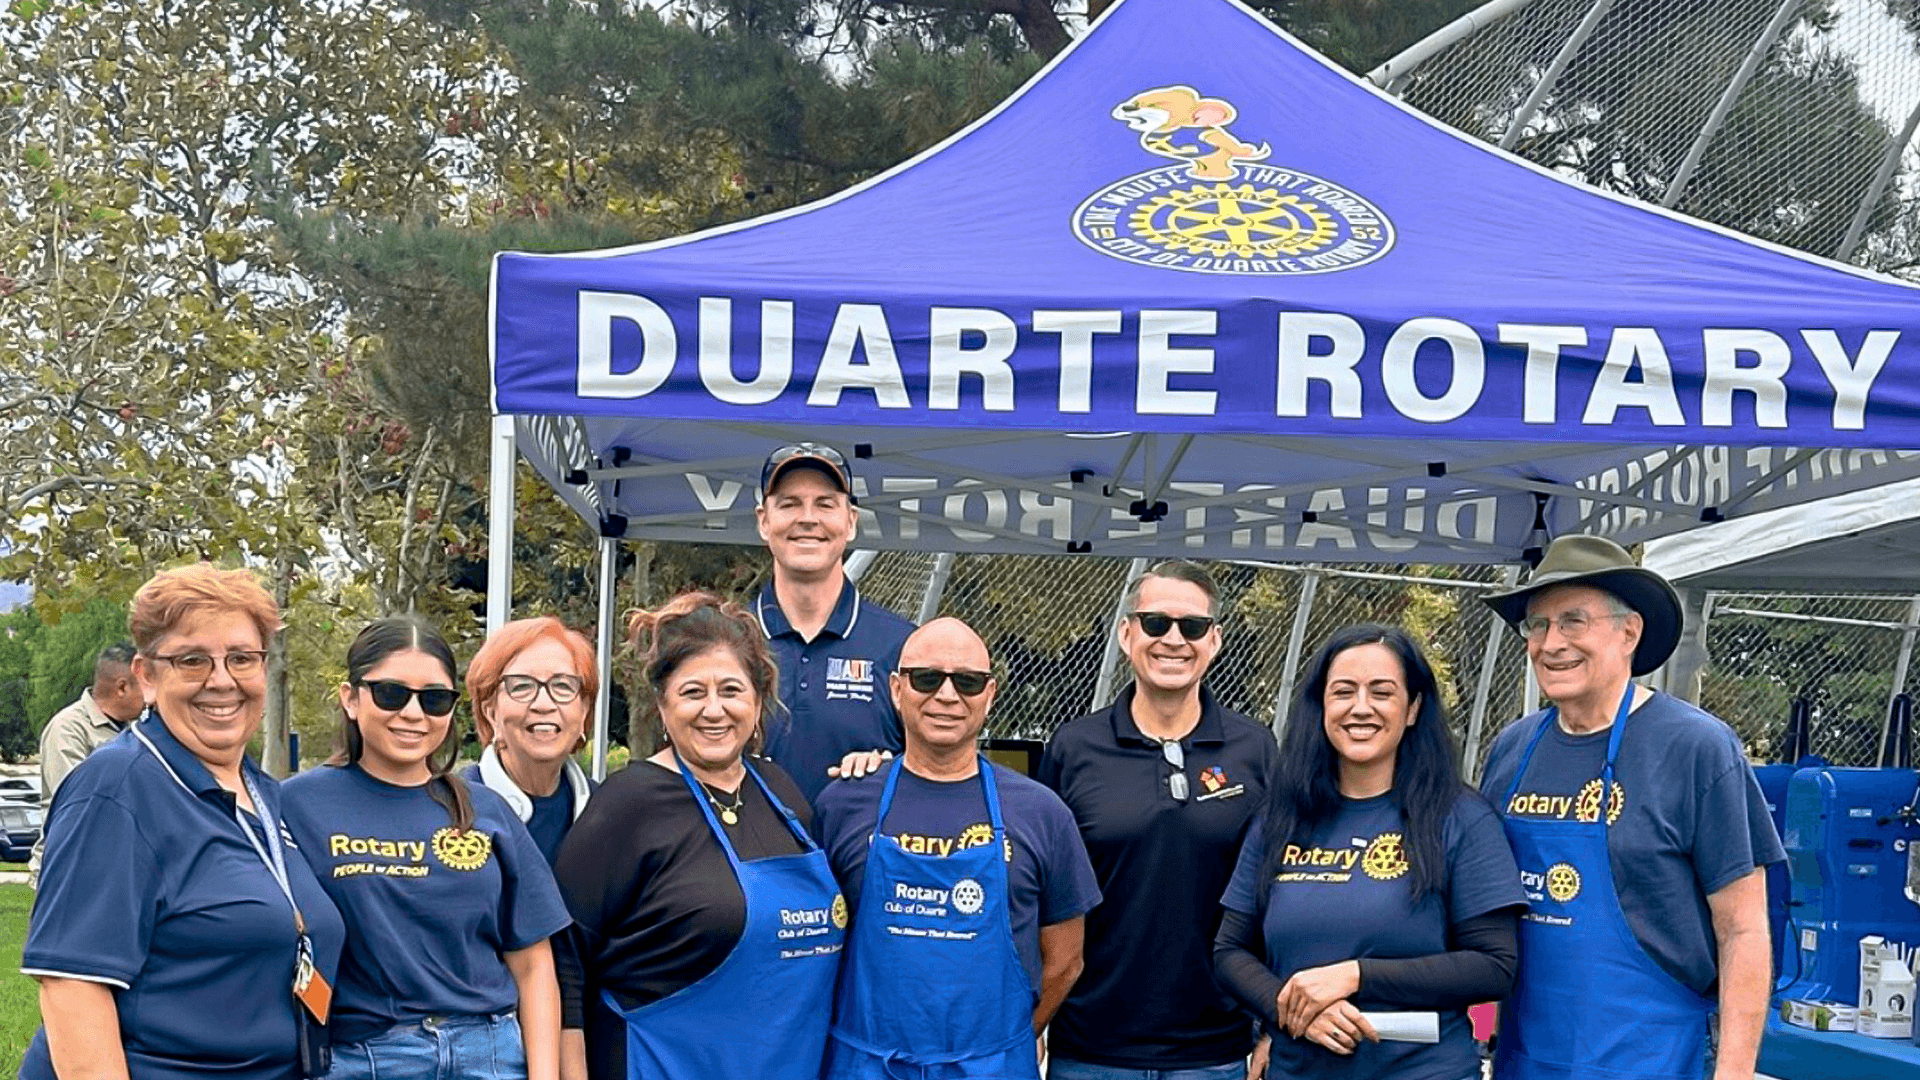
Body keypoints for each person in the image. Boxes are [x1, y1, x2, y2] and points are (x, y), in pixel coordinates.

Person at [20, 564, 346, 1080]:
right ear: (146, 676)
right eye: (192, 660)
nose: (222, 680)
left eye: (241, 658)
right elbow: (73, 990)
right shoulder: (117, 791)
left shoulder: (259, 791)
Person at [1477, 536, 1782, 1080]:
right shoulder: (1513, 748)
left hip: (1654, 1058)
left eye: (1573, 621)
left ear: (1629, 632)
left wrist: (1734, 1072)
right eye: (1537, 625)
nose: (1551, 644)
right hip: (1528, 1056)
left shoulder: (1696, 748)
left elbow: (1743, 930)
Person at [552, 592, 845, 1080]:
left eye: (731, 690)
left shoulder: (782, 793)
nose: (714, 710)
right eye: (693, 693)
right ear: (663, 706)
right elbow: (565, 964)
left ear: (758, 698)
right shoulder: (630, 804)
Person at [1214, 624, 1526, 1080]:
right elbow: (1230, 950)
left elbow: (1494, 965)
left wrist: (1357, 975)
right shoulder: (1280, 819)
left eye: (1382, 692)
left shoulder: (1460, 818)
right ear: (1322, 705)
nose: (1361, 708)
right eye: (1343, 692)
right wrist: (1295, 1010)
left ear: (1413, 708)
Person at [814, 617, 1103, 1079]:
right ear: (895, 688)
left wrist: (1005, 1043)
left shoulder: (1042, 813)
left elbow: (1066, 960)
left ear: (989, 695)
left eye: (967, 682)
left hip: (991, 1066)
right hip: (865, 1064)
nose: (947, 696)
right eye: (927, 678)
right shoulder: (842, 804)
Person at [281, 616, 569, 1080]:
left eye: (435, 699)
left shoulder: (486, 810)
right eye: (391, 693)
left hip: (490, 1054)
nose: (414, 714)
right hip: (367, 1057)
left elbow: (535, 966)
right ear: (350, 699)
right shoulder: (295, 804)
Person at [1039, 561, 1280, 1080]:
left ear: (1214, 641)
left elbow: (1277, 895)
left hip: (1214, 1052)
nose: (1174, 639)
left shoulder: (1255, 749)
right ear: (1126, 633)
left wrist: (1271, 1025)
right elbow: (1043, 893)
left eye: (1191, 626)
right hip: (1091, 1050)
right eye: (1155, 623)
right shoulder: (1074, 748)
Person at [754, 442, 915, 804]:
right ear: (763, 521)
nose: (808, 518)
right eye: (789, 504)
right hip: (743, 859)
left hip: (858, 860)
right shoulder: (728, 640)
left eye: (825, 504)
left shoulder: (902, 646)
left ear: (851, 521)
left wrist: (890, 772)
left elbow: (936, 776)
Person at [460, 616, 598, 867]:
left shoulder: (608, 812)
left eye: (563, 686)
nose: (544, 704)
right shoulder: (452, 810)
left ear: (584, 713)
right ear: (491, 712)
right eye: (522, 686)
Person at [28, 640, 146, 887]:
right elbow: (80, 803)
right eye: (146, 686)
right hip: (69, 871)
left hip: (114, 869)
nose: (151, 697)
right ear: (122, 688)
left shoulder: (136, 732)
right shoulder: (68, 729)